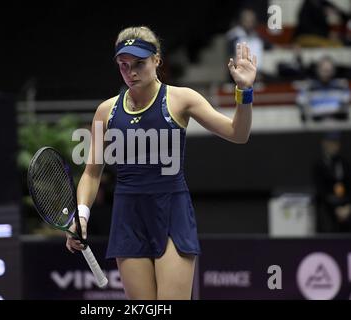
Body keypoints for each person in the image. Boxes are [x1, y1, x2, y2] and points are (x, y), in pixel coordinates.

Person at [66, 26, 256, 300]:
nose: (131, 72)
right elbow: (92, 174)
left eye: (139, 63)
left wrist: (244, 91)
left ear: (157, 60)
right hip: (128, 217)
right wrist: (81, 215)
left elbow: (238, 134)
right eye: (123, 65)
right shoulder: (106, 111)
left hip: (171, 214)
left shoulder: (181, 99)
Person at [313, 131, 351, 233]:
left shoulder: (344, 163)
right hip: (328, 207)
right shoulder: (319, 165)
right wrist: (336, 209)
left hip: (345, 205)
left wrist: (348, 207)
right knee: (326, 220)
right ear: (324, 143)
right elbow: (321, 191)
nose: (333, 146)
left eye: (335, 143)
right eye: (330, 142)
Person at [296, 55, 350, 123]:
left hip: (337, 124)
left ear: (333, 71)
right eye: (324, 70)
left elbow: (345, 109)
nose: (327, 74)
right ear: (318, 70)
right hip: (316, 125)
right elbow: (302, 104)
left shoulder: (341, 86)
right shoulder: (308, 87)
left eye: (329, 70)